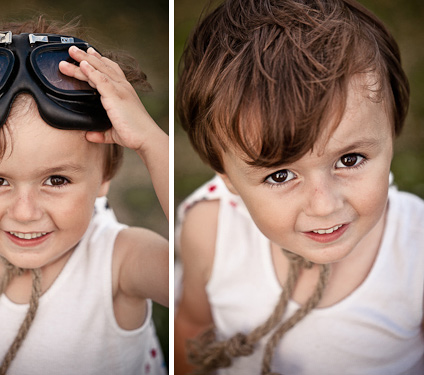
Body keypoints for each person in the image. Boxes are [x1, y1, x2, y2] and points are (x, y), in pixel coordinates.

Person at [174, 0, 423, 373]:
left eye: (350, 159)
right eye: (279, 175)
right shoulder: (210, 233)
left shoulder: (416, 247)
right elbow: (193, 327)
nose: (324, 206)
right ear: (226, 177)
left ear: (392, 133)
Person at [0, 9, 169, 375]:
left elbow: (198, 279)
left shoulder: (121, 261)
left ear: (105, 176)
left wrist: (151, 143)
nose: (24, 212)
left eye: (56, 180)